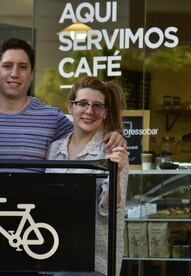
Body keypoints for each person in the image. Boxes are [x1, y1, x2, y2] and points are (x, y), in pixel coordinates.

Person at [0, 37, 125, 171]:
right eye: (7, 66)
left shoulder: (52, 118)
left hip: (32, 211)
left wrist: (113, 134)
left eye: (23, 67)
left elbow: (86, 132)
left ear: (31, 74)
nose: (15, 73)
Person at [46, 76, 129, 276]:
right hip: (53, 257)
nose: (89, 111)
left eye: (97, 106)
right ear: (70, 106)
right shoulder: (54, 149)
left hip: (93, 262)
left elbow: (110, 211)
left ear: (105, 113)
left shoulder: (112, 151)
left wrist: (116, 173)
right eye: (83, 103)